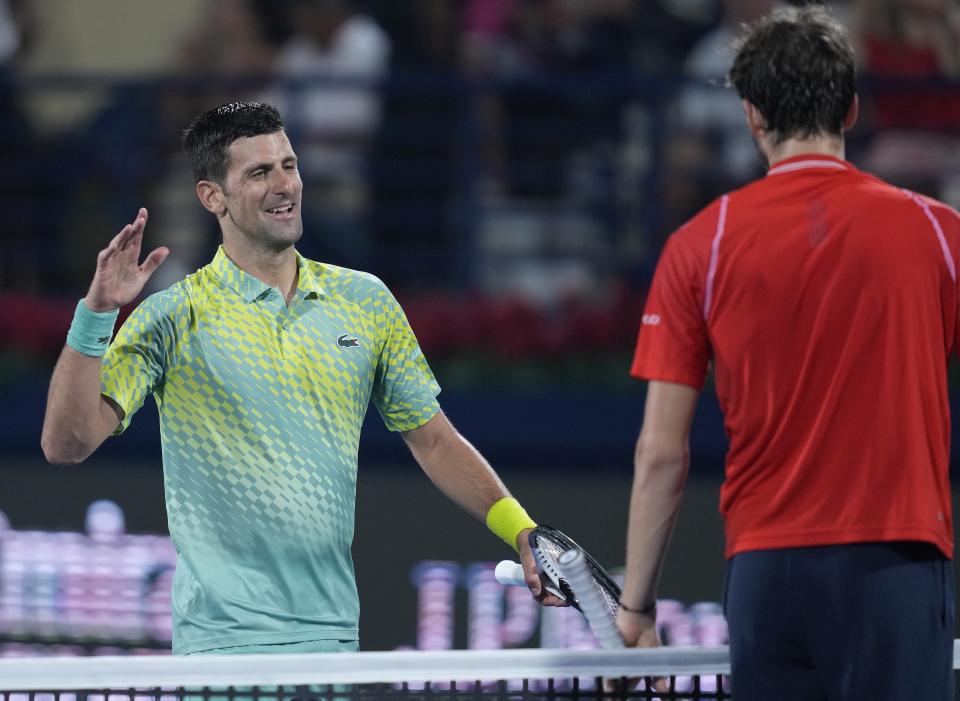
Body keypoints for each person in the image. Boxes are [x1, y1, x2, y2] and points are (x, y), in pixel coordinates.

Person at [40, 100, 559, 656]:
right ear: (212, 196)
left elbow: (434, 440)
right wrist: (96, 313)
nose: (284, 184)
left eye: (289, 165)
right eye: (259, 173)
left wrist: (522, 529)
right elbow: (66, 443)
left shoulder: (366, 301)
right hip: (221, 649)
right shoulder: (172, 316)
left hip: (332, 641)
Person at [618, 6, 958, 700]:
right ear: (853, 109)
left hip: (767, 576)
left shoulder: (698, 246)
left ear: (751, 116)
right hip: (894, 562)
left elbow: (661, 451)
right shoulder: (938, 232)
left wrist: (637, 606)